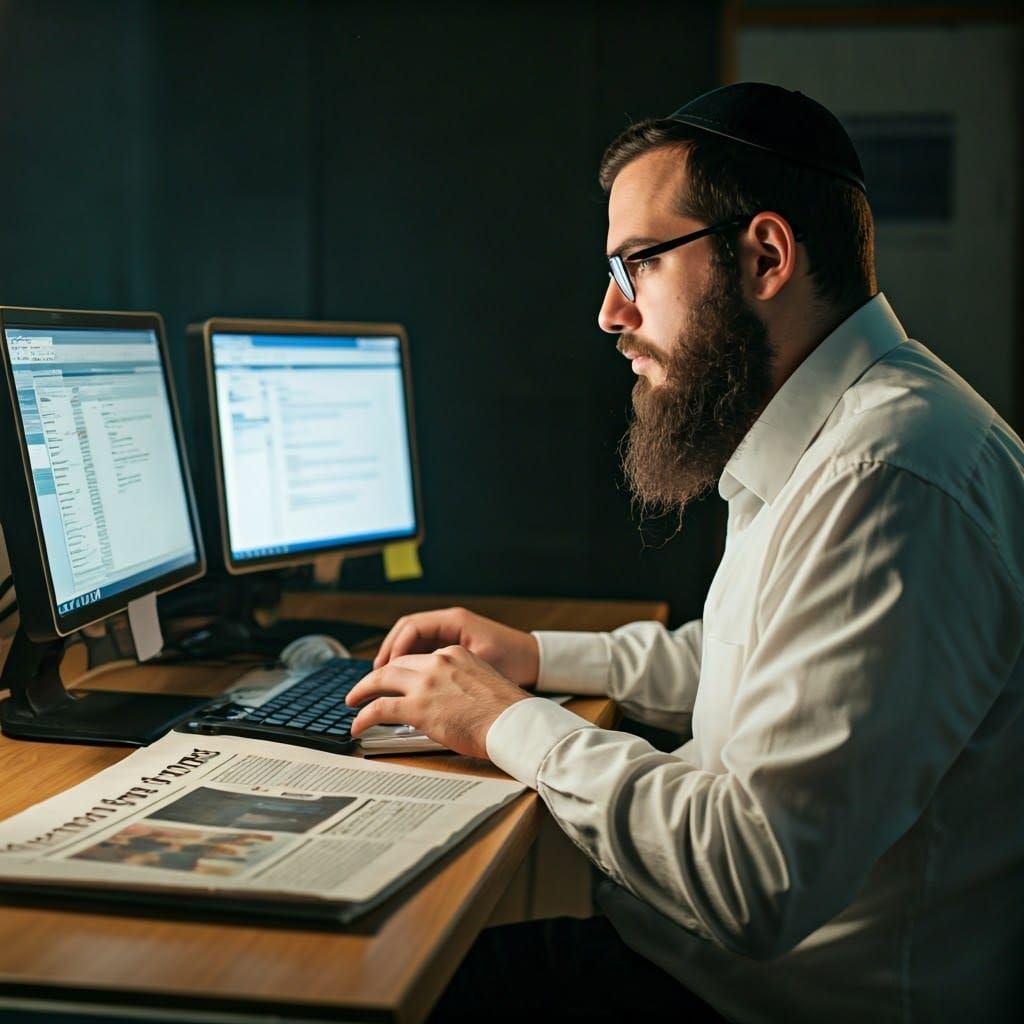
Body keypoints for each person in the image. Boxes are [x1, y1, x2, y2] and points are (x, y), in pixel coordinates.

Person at [346, 82, 1024, 1022]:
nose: (609, 315)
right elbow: (740, 661)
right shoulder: (841, 429)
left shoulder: (888, 479)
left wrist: (505, 721)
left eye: (637, 266)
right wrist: (535, 660)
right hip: (704, 971)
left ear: (766, 256)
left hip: (755, 1003)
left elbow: (755, 879)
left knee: (364, 986)